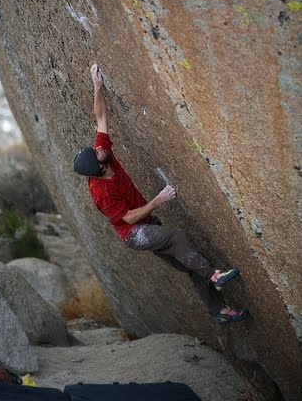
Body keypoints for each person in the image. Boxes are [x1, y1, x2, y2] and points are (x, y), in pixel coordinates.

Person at [73, 64, 249, 325]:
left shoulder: (103, 154)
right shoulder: (100, 192)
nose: (99, 148)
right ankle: (214, 275)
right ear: (98, 169)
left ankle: (218, 311)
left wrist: (97, 86)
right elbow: (129, 219)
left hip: (147, 224)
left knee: (190, 266)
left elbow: (100, 118)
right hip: (135, 233)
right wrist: (159, 199)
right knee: (179, 238)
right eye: (97, 152)